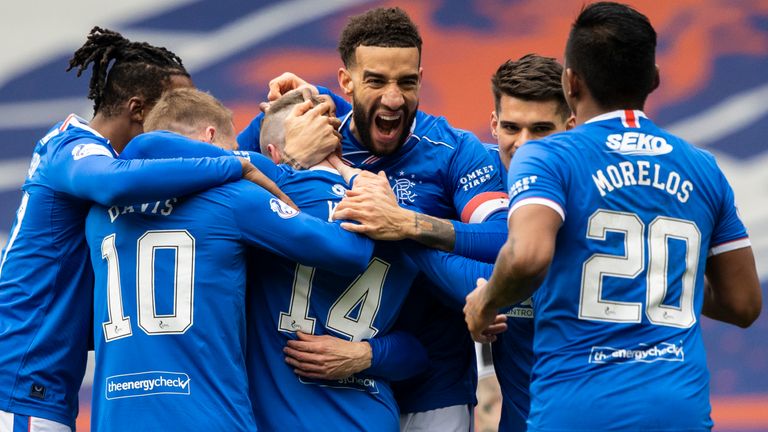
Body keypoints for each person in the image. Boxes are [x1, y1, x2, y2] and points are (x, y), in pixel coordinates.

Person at [464, 2, 762, 430]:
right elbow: (744, 303)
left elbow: (528, 256)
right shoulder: (702, 167)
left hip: (579, 409)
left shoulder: (546, 156)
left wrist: (484, 303)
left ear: (570, 82)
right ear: (654, 79)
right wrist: (660, 281)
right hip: (679, 410)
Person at [240, 8, 510, 430]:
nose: (393, 98)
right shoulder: (308, 129)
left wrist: (405, 224)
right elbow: (219, 190)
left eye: (407, 81)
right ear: (346, 81)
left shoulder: (455, 151)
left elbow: (502, 241)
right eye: (376, 81)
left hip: (432, 384)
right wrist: (285, 150)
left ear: (421, 77)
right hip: (316, 389)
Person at [0, 27, 259, 431]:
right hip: (19, 385)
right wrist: (233, 164)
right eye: (173, 104)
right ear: (138, 110)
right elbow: (113, 182)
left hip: (40, 388)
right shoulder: (72, 146)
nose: (184, 114)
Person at [85, 87, 376, 431]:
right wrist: (334, 173)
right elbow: (349, 251)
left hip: (113, 419)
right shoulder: (231, 196)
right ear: (211, 138)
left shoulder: (98, 211)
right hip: (208, 417)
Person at [405, 54, 572, 432]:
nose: (524, 144)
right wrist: (324, 97)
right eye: (512, 127)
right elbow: (415, 134)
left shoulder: (582, 199)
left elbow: (505, 277)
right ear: (494, 124)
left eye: (542, 129)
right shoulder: (477, 166)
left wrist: (405, 231)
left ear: (570, 126)